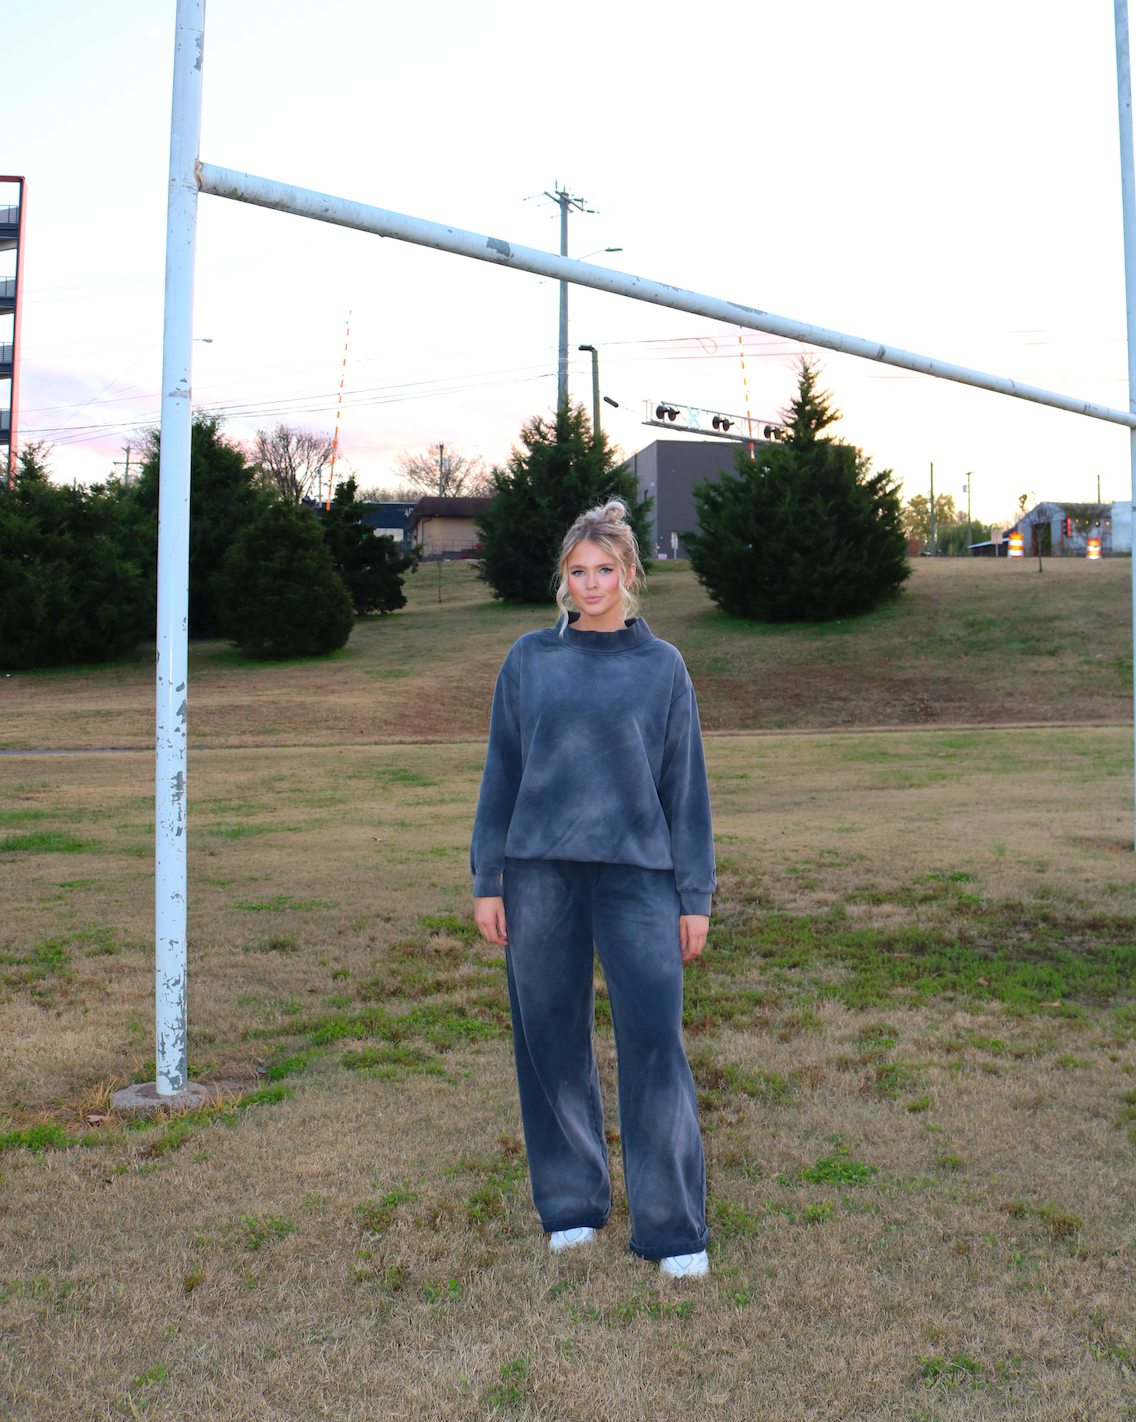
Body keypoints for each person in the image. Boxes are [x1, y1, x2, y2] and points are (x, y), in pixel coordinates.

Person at [470, 499, 715, 1278]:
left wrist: (694, 895)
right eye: (578, 571)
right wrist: (489, 878)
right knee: (547, 1037)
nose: (591, 582)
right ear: (564, 580)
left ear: (630, 573)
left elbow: (687, 788)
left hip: (639, 881)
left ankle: (673, 1229)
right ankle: (572, 1204)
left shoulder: (663, 668)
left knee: (654, 1044)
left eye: (605, 569)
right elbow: (501, 773)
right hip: (539, 873)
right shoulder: (529, 660)